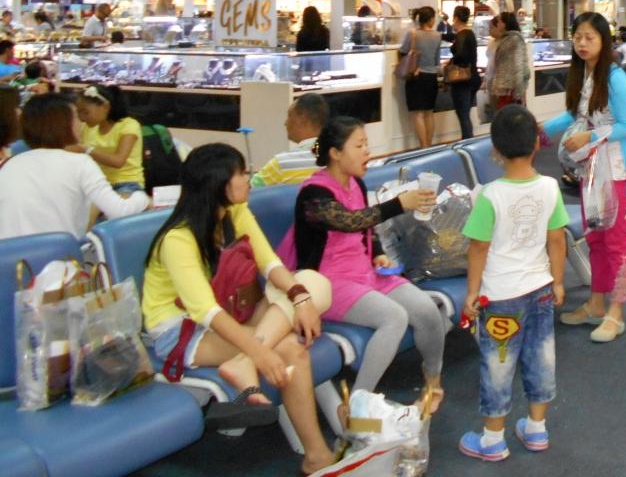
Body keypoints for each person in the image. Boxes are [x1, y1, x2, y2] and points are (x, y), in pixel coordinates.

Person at [143, 143, 335, 471]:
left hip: (231, 308)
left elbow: (269, 263)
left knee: (312, 282)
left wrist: (300, 298)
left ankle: (242, 363)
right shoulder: (178, 238)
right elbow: (205, 312)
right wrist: (261, 352)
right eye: (241, 173)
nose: (249, 178)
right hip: (185, 328)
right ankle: (317, 455)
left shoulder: (236, 212)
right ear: (217, 183)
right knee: (293, 350)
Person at [285, 117, 447, 401]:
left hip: (365, 274)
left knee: (427, 310)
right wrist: (399, 204)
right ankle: (358, 402)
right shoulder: (313, 194)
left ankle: (432, 379)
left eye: (366, 144)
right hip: (328, 283)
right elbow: (349, 220)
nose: (367, 152)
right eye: (359, 146)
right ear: (335, 153)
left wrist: (378, 253)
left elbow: (365, 227)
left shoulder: (355, 184)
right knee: (394, 317)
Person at [458, 105, 569, 460]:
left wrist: (472, 292)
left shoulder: (490, 195)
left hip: (500, 297)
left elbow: (478, 247)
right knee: (541, 357)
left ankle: (493, 439)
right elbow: (557, 240)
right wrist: (558, 282)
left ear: (495, 150)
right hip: (540, 291)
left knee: (498, 363)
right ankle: (537, 429)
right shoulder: (550, 187)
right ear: (537, 144)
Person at [544, 13, 626, 343]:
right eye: (578, 37)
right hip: (591, 171)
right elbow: (576, 115)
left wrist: (590, 136)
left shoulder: (615, 78)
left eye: (590, 38)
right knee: (595, 238)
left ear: (603, 41)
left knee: (615, 242)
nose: (582, 44)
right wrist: (539, 132)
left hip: (616, 170)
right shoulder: (584, 74)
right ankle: (596, 303)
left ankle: (617, 311)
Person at [0, 93, 150, 238]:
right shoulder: (79, 163)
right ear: (63, 124)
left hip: (10, 252)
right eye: (77, 117)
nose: (81, 123)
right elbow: (119, 210)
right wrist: (142, 198)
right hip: (60, 252)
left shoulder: (11, 164)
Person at [69, 84, 145, 193]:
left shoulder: (129, 125)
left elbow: (118, 161)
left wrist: (86, 150)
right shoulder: (87, 128)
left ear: (105, 106)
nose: (81, 118)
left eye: (86, 112)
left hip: (127, 183)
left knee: (113, 203)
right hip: (97, 182)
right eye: (78, 113)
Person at [254, 93, 330, 187]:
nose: (285, 123)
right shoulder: (337, 160)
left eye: (289, 116)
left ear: (302, 120)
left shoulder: (282, 163)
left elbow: (246, 191)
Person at [399, 6, 443, 149]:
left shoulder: (412, 34)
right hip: (431, 77)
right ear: (430, 19)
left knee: (418, 113)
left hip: (416, 77)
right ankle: (429, 145)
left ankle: (423, 147)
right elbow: (437, 61)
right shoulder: (437, 36)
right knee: (429, 113)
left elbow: (403, 51)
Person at [444, 5, 480, 139]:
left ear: (456, 18)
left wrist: (450, 62)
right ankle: (468, 140)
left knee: (463, 115)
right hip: (473, 77)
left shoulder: (461, 35)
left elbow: (461, 55)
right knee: (465, 114)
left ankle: (467, 142)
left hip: (462, 79)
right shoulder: (469, 34)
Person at [486, 11, 531, 113]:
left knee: (510, 117)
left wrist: (519, 92)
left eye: (500, 21)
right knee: (505, 116)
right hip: (504, 88)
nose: (498, 23)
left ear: (505, 23)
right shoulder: (505, 39)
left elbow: (519, 65)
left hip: (511, 90)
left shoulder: (515, 39)